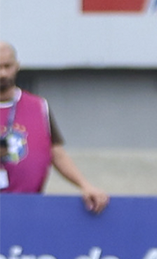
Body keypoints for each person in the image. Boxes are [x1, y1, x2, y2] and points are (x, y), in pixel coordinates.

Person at [0, 40, 109, 213]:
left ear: (17, 66)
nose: (3, 73)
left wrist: (85, 185)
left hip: (28, 208)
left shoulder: (38, 106)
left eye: (7, 66)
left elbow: (55, 151)